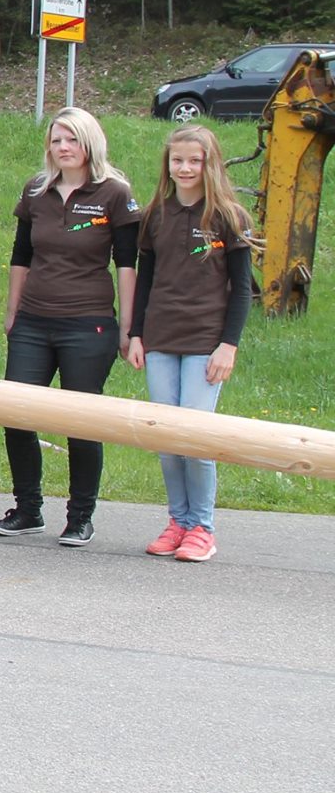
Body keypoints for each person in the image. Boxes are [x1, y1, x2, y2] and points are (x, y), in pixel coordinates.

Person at [0, 107, 141, 546]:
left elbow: (127, 264)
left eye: (71, 140)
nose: (63, 148)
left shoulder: (114, 193)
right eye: (56, 140)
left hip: (88, 324)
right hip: (34, 321)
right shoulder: (36, 191)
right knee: (15, 414)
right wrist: (12, 311)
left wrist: (127, 327)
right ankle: (27, 509)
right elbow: (21, 255)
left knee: (82, 418)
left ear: (89, 143)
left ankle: (80, 516)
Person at [127, 125, 251, 564]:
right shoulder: (155, 214)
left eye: (194, 161)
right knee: (166, 439)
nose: (185, 168)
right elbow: (145, 281)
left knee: (195, 438)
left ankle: (202, 527)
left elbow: (240, 291)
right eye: (177, 160)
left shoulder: (228, 217)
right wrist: (136, 334)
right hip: (160, 338)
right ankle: (177, 520)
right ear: (168, 163)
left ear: (209, 164)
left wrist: (228, 345)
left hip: (205, 342)